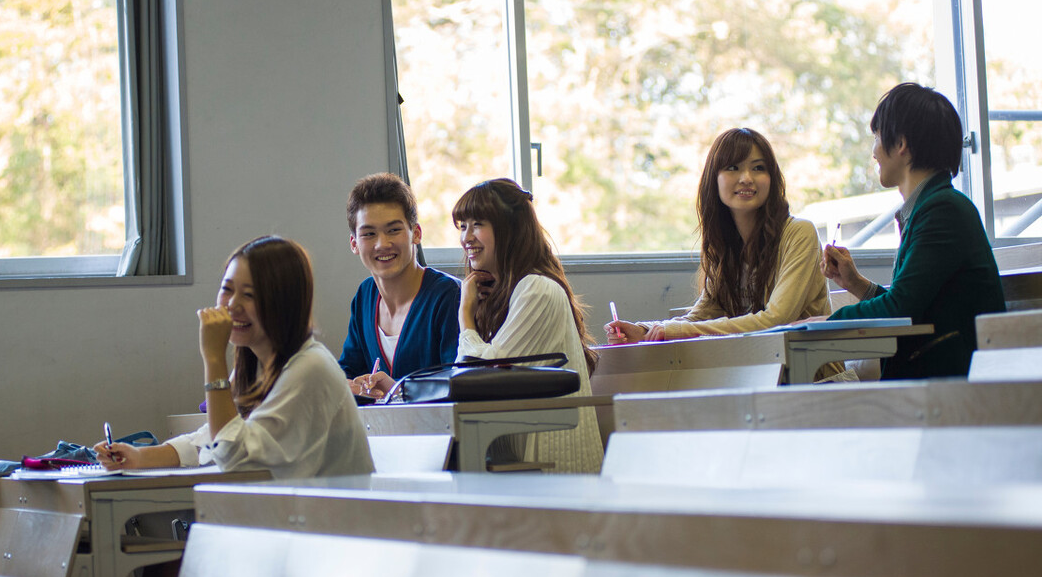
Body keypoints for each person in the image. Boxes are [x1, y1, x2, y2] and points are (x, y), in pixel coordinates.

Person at [95, 236, 374, 477]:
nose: (231, 305)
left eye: (250, 295)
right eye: (227, 289)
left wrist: (214, 359)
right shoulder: (256, 364)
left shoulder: (311, 368)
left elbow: (234, 458)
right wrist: (140, 457)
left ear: (283, 303)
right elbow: (215, 439)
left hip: (331, 530)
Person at [821, 83, 1005, 379]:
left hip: (954, 390)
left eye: (878, 137)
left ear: (902, 144)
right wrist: (855, 283)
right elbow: (912, 305)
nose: (874, 151)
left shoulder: (943, 210)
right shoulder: (935, 206)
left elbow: (900, 309)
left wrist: (822, 323)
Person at [604, 128, 834, 346]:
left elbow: (775, 320)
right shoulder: (726, 244)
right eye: (733, 167)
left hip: (815, 379)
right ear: (714, 179)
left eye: (758, 168)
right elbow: (701, 316)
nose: (746, 178)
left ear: (772, 178)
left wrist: (671, 331)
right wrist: (643, 330)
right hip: (758, 373)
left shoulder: (799, 233)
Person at [453, 178, 602, 473]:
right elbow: (466, 379)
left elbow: (487, 373)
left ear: (509, 229)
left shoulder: (537, 289)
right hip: (519, 465)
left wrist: (465, 317)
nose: (466, 237)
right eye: (462, 226)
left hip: (553, 471)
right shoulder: (501, 293)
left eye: (477, 224)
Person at [338, 173, 460, 398]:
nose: (382, 244)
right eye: (369, 234)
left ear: (416, 234)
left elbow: (457, 382)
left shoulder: (449, 296)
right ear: (354, 243)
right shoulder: (365, 296)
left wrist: (397, 391)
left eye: (394, 230)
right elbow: (347, 371)